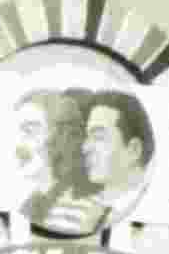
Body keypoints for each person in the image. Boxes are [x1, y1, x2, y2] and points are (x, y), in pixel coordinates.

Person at [12, 88, 107, 236]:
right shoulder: (36, 202)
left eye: (70, 131)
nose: (51, 141)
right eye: (57, 127)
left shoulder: (101, 213)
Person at [81, 89, 156, 227]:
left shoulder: (154, 214)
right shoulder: (88, 214)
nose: (85, 148)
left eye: (98, 137)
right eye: (87, 137)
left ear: (134, 150)